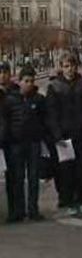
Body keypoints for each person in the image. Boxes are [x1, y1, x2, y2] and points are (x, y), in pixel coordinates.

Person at [46, 53, 82, 215]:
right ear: (61, 67)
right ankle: (68, 200)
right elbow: (51, 113)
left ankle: (81, 198)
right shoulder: (55, 87)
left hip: (81, 134)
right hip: (64, 136)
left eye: (72, 66)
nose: (70, 69)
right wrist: (57, 134)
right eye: (66, 66)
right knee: (66, 170)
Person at [2, 66, 48, 222]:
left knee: (34, 177)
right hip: (15, 144)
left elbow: (44, 119)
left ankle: (33, 209)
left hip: (33, 143)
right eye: (26, 81)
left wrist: (43, 137)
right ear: (20, 81)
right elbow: (5, 122)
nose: (29, 84)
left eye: (31, 81)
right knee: (17, 178)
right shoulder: (10, 100)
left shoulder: (39, 99)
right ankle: (17, 211)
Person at [0, 61, 20, 222]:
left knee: (14, 178)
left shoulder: (15, 92)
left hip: (12, 140)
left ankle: (15, 211)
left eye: (5, 72)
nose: (2, 75)